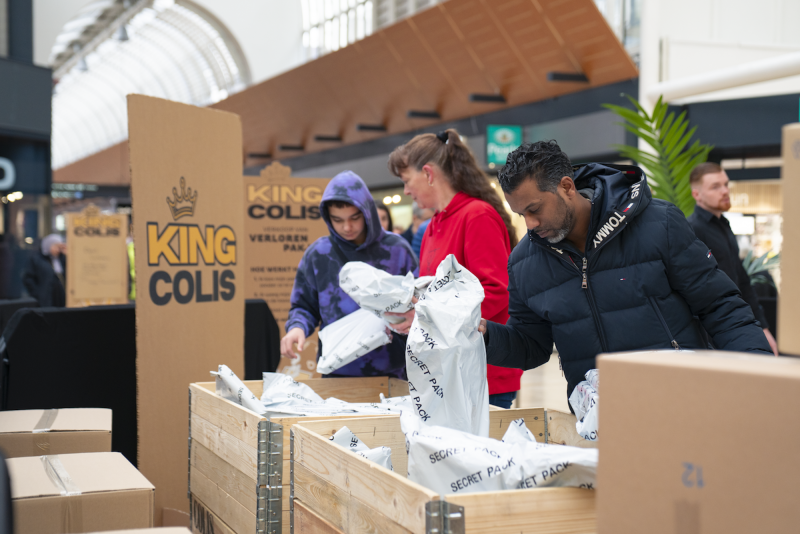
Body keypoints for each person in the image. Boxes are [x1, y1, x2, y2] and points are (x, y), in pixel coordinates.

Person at [477, 140, 772, 402]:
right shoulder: (523, 263)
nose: (529, 224)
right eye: (520, 214)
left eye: (534, 209)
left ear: (566, 187)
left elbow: (721, 307)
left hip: (682, 403)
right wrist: (486, 336)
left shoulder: (659, 224)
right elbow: (532, 345)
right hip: (599, 423)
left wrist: (757, 376)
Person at [386, 129, 523, 408]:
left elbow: (496, 292)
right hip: (444, 373)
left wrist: (428, 320)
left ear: (428, 173)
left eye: (406, 180)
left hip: (481, 374)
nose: (406, 191)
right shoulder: (431, 228)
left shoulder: (477, 216)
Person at [280, 170, 418, 378]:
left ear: (368, 212)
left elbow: (419, 303)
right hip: (337, 372)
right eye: (337, 220)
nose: (347, 227)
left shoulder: (397, 249)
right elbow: (303, 306)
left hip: (393, 371)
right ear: (328, 217)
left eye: (355, 217)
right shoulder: (318, 254)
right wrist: (297, 328)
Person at [687, 162, 779, 356]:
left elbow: (742, 280)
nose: (725, 191)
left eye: (726, 184)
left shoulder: (724, 226)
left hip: (737, 325)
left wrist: (763, 328)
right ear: (697, 194)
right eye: (715, 186)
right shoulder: (692, 229)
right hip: (711, 335)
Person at [23, 233, 67, 307]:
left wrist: (67, 255)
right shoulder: (36, 259)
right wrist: (36, 293)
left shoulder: (61, 259)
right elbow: (28, 278)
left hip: (60, 297)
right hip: (44, 298)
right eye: (56, 246)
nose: (58, 250)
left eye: (60, 247)